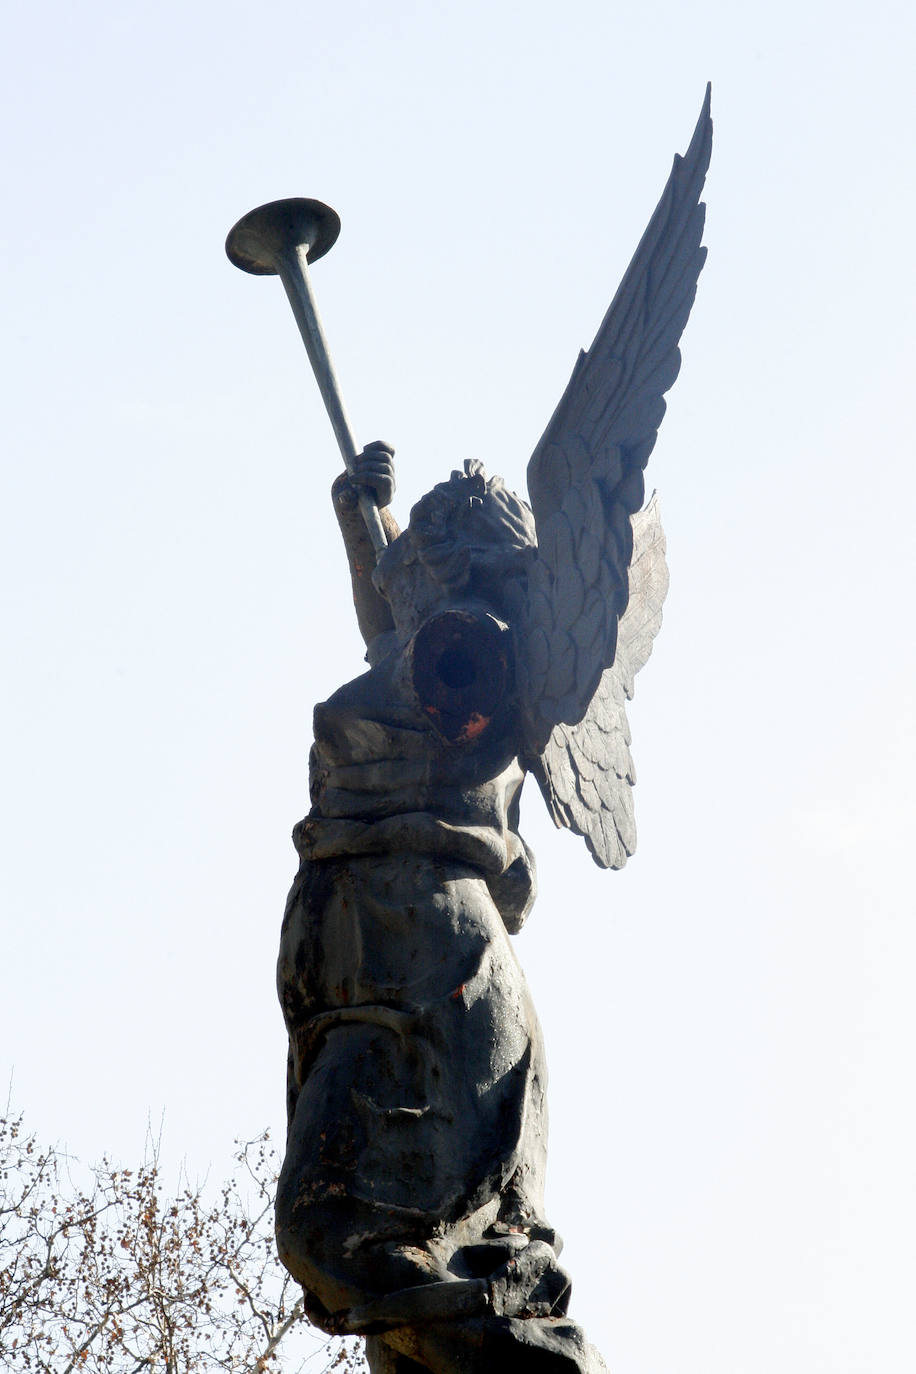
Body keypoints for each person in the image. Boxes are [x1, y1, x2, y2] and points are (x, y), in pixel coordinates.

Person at [275, 444, 607, 1374]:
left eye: (419, 542)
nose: (400, 556)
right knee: (403, 1341)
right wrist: (363, 529)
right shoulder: (439, 643)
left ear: (453, 561)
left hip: (424, 966)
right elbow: (394, 641)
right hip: (367, 950)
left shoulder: (473, 650)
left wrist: (380, 546)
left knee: (337, 1234)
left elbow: (421, 657)